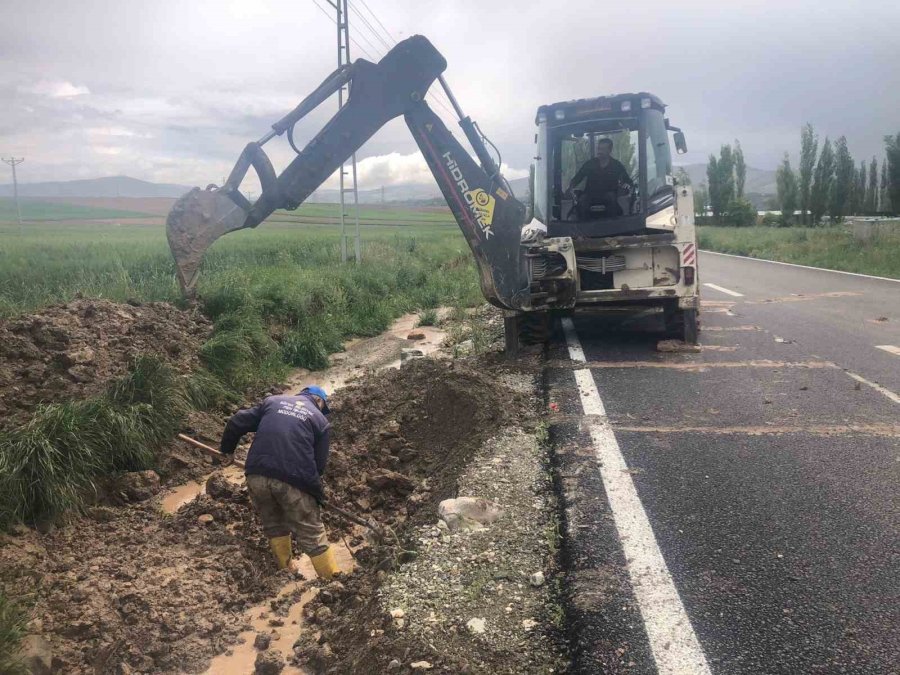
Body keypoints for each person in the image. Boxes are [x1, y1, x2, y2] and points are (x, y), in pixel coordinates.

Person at [219, 385, 338, 579]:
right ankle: (334, 581)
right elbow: (318, 467)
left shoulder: (272, 402)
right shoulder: (321, 421)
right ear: (318, 401)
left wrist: (227, 450)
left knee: (273, 523)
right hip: (294, 479)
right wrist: (314, 495)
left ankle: (286, 571)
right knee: (312, 532)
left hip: (256, 474)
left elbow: (236, 421)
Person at [566, 137, 634, 219]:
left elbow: (628, 181)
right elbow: (577, 178)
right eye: (599, 148)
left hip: (609, 195)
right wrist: (571, 187)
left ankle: (612, 226)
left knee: (612, 199)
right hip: (590, 195)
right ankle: (583, 228)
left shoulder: (616, 166)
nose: (599, 151)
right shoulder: (590, 164)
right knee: (582, 200)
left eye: (603, 149)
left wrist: (627, 186)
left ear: (610, 150)